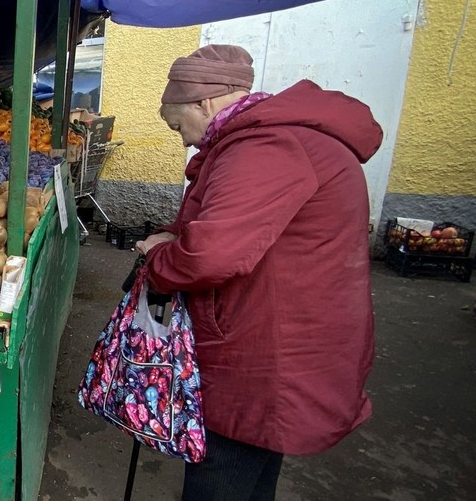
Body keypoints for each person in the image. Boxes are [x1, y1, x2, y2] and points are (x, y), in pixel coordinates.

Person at [134, 44, 383, 501]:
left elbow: (210, 256)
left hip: (266, 349)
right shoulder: (267, 141)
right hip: (287, 335)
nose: (184, 141)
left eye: (178, 126)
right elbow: (231, 220)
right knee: (255, 466)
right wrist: (175, 233)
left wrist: (158, 261)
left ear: (204, 102)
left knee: (224, 467)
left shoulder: (266, 146)